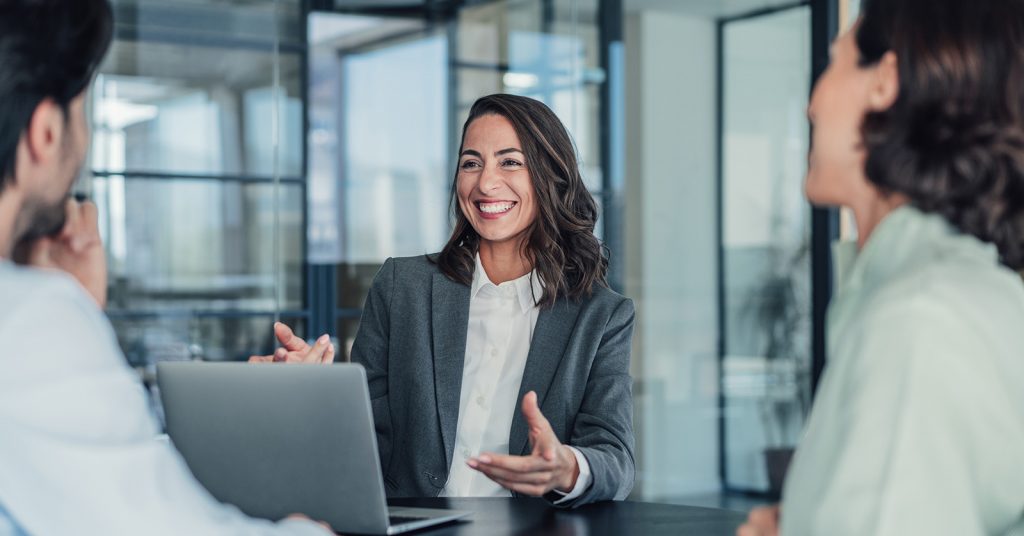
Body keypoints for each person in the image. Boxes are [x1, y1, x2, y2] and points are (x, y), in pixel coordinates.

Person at [0, 1, 331, 533]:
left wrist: (76, 312)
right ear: (45, 132)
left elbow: (86, 475)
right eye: (82, 109)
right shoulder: (29, 319)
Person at [256, 94, 636, 507]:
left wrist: (568, 467)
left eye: (510, 162)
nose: (485, 183)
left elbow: (615, 457)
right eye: (472, 163)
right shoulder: (403, 287)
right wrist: (316, 395)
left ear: (551, 176)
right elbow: (363, 440)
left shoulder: (601, 316)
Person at [738, 0, 1024, 534]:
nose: (812, 104)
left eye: (835, 62)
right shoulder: (955, 293)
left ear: (884, 81)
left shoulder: (919, 320)